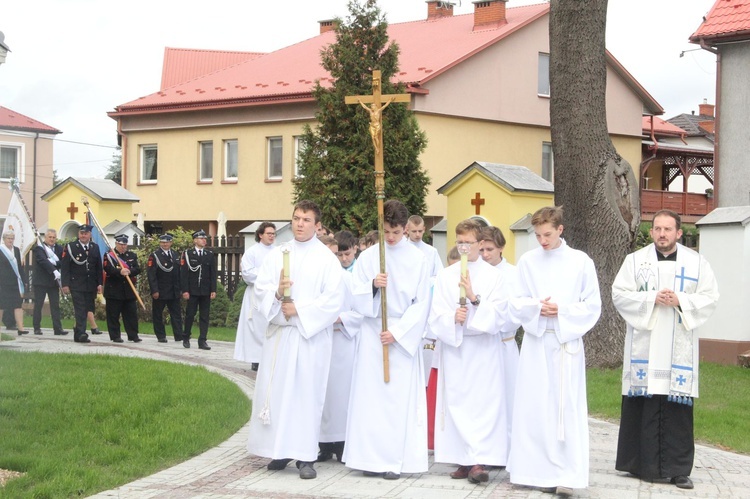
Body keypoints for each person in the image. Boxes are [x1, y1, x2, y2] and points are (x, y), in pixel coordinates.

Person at [612, 209, 719, 490]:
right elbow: (619, 294)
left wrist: (680, 300)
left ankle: (678, 470)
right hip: (645, 344)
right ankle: (638, 464)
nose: (661, 234)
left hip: (678, 346)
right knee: (644, 404)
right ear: (652, 232)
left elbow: (710, 297)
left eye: (667, 229)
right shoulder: (635, 261)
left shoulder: (696, 263)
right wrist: (651, 298)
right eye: (657, 229)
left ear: (679, 233)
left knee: (676, 411)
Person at [507, 206, 601, 497]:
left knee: (564, 408)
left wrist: (561, 310)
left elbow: (592, 305)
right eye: (537, 235)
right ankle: (530, 469)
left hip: (565, 344)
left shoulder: (580, 261)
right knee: (533, 405)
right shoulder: (527, 262)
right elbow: (515, 302)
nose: (542, 241)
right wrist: (537, 307)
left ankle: (566, 474)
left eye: (547, 234)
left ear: (560, 229)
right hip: (536, 342)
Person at [247, 200, 344, 480]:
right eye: (296, 218)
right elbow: (260, 292)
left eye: (306, 219)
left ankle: (305, 456)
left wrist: (299, 310)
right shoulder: (277, 254)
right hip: (281, 338)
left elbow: (333, 301)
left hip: (310, 340)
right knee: (278, 395)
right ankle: (281, 449)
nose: (299, 223)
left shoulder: (326, 259)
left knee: (305, 396)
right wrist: (278, 295)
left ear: (317, 225)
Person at [344, 199, 431, 480]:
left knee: (396, 400)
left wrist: (399, 332)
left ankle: (395, 460)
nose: (390, 238)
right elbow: (354, 293)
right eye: (386, 232)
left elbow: (421, 303)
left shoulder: (419, 259)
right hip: (373, 331)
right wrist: (372, 286)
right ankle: (368, 458)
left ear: (405, 229)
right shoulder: (371, 257)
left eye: (395, 232)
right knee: (371, 398)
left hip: (400, 335)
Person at [429, 219, 508, 483]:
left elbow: (499, 316)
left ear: (480, 244)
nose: (464, 248)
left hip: (483, 349)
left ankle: (478, 460)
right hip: (457, 348)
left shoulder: (494, 276)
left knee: (482, 404)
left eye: (469, 243)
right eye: (459, 242)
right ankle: (462, 458)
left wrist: (474, 300)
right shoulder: (445, 275)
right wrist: (453, 317)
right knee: (457, 402)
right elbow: (435, 313)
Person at [318, 230, 362, 463]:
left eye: (337, 255)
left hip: (342, 342)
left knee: (341, 394)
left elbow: (360, 312)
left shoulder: (348, 279)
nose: (337, 260)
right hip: (318, 342)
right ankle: (323, 443)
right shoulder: (316, 279)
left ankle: (342, 444)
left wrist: (339, 318)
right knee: (322, 394)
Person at [479, 226, 521, 447]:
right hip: (482, 344)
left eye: (490, 249)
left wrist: (493, 320)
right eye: (482, 249)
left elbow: (516, 311)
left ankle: (508, 447)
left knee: (507, 396)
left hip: (503, 342)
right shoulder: (477, 273)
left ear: (501, 248)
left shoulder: (513, 274)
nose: (485, 254)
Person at [233, 222, 276, 369]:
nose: (272, 236)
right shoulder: (252, 252)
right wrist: (267, 277)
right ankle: (256, 359)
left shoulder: (277, 252)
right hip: (256, 294)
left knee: (270, 325)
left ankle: (270, 357)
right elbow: (247, 274)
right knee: (256, 326)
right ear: (260, 235)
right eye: (269, 233)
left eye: (273, 233)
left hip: (273, 295)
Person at [61, 224, 103, 344]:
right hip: (76, 284)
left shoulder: (94, 247)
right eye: (81, 233)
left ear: (90, 234)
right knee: (80, 309)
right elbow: (65, 267)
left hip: (90, 285)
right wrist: (65, 284)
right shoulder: (71, 247)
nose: (83, 235)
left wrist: (100, 283)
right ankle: (81, 333)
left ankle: (78, 333)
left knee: (88, 309)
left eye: (85, 233)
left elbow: (98, 267)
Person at [181, 229, 217, 350]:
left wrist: (213, 290)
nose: (204, 240)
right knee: (190, 315)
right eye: (201, 238)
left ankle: (202, 340)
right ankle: (186, 336)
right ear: (195, 240)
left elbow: (213, 273)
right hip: (192, 290)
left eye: (205, 238)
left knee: (204, 316)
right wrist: (185, 290)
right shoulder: (188, 254)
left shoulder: (209, 255)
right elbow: (184, 274)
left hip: (205, 290)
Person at [103, 234, 142, 343]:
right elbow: (107, 268)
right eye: (121, 244)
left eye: (125, 244)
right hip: (114, 290)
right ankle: (115, 336)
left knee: (131, 314)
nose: (123, 246)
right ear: (116, 244)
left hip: (128, 290)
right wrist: (119, 271)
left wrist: (130, 271)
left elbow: (137, 269)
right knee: (113, 315)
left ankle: (133, 335)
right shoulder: (109, 255)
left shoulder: (132, 255)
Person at [147, 233, 183, 343]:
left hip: (173, 290)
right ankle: (161, 336)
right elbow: (151, 274)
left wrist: (180, 289)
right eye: (163, 242)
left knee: (176, 314)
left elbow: (179, 273)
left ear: (171, 242)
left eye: (167, 242)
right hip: (161, 290)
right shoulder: (155, 255)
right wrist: (154, 290)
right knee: (158, 314)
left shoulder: (175, 254)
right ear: (160, 243)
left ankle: (179, 335)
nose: (165, 244)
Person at [32, 229, 67, 335]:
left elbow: (62, 262)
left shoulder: (60, 248)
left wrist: (55, 263)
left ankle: (58, 329)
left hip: (53, 282)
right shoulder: (39, 248)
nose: (52, 239)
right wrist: (54, 269)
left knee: (55, 305)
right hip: (41, 281)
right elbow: (42, 261)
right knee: (39, 305)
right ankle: (37, 328)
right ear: (45, 238)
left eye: (53, 237)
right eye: (50, 237)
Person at [0, 231, 28, 335]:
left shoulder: (16, 250)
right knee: (1, 306)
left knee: (18, 305)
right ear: (4, 239)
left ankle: (21, 328)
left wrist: (24, 280)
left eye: (12, 238)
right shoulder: (1, 250)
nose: (10, 240)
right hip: (3, 283)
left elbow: (20, 268)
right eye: (8, 238)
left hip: (15, 282)